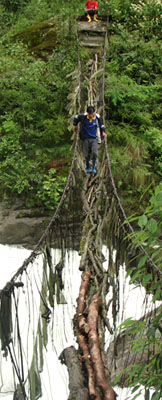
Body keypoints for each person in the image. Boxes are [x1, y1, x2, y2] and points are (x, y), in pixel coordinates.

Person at [73, 106, 107, 174]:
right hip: (85, 138)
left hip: (94, 138)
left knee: (94, 153)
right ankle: (87, 167)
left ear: (94, 112)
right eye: (89, 114)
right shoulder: (83, 116)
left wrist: (103, 132)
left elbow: (101, 124)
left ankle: (93, 167)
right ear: (87, 113)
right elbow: (76, 117)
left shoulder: (97, 117)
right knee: (86, 154)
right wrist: (75, 125)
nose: (91, 116)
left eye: (92, 114)